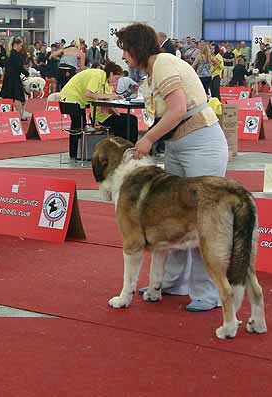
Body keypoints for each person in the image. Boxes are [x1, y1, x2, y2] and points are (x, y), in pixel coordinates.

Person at [116, 23, 229, 312]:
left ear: (138, 47)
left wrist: (148, 139)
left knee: (203, 220)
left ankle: (208, 293)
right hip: (178, 145)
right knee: (172, 216)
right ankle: (169, 283)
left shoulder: (164, 63)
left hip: (201, 144)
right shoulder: (152, 72)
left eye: (126, 50)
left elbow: (178, 109)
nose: (124, 56)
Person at [60, 62, 131, 158]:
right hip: (71, 97)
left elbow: (100, 97)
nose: (115, 82)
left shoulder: (105, 81)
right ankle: (76, 153)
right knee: (78, 125)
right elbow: (89, 94)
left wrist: (112, 97)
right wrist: (107, 96)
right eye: (116, 78)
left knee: (79, 124)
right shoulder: (98, 75)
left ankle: (76, 153)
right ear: (110, 74)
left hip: (79, 99)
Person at [0, 37, 29, 119]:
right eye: (20, 45)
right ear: (16, 44)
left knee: (8, 97)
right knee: (17, 97)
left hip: (8, 78)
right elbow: (19, 67)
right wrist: (27, 73)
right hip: (14, 78)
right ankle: (20, 116)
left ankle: (5, 114)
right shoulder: (16, 55)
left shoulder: (9, 53)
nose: (21, 47)